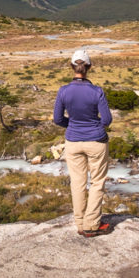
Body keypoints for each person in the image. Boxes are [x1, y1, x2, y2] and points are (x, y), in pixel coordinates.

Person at [53, 49, 113, 237]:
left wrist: (71, 125)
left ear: (72, 67)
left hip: (73, 141)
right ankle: (92, 224)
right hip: (96, 141)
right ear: (89, 67)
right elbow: (107, 119)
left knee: (77, 183)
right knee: (97, 183)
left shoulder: (63, 91)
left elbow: (57, 119)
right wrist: (96, 127)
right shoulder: (97, 91)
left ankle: (80, 223)